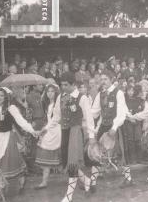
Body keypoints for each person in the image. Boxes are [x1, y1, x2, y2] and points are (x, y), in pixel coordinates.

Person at [0, 87, 39, 194]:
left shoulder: (11, 108)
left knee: (10, 162)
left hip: (7, 139)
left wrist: (32, 130)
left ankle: (19, 182)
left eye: (2, 95)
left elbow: (21, 121)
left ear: (6, 97)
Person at [56, 72, 95, 202]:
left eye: (66, 85)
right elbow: (56, 116)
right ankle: (87, 181)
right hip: (65, 131)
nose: (63, 87)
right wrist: (44, 129)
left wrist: (91, 136)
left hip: (76, 132)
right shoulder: (60, 97)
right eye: (61, 85)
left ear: (73, 84)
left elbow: (89, 118)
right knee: (68, 162)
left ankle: (68, 196)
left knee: (72, 163)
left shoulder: (82, 98)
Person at [90, 71, 133, 189]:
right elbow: (94, 112)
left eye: (105, 79)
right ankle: (92, 182)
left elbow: (121, 112)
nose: (103, 81)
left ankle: (128, 178)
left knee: (119, 153)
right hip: (103, 125)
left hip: (115, 126)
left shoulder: (118, 93)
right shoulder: (100, 94)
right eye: (101, 79)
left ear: (111, 80)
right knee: (97, 152)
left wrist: (114, 127)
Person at [34, 84, 61, 189]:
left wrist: (44, 129)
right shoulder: (48, 104)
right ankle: (44, 182)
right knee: (45, 156)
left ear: (56, 93)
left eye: (52, 91)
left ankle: (80, 178)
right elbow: (49, 120)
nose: (50, 93)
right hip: (49, 131)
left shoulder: (57, 104)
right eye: (48, 91)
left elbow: (55, 120)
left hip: (56, 131)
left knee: (64, 158)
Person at [122, 85, 143, 164]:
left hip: (137, 122)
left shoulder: (138, 100)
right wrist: (130, 119)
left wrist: (136, 118)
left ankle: (140, 158)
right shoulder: (124, 101)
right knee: (130, 140)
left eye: (132, 90)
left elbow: (141, 111)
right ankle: (132, 159)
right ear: (126, 91)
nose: (131, 92)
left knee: (138, 139)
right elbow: (123, 112)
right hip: (128, 122)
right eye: (129, 90)